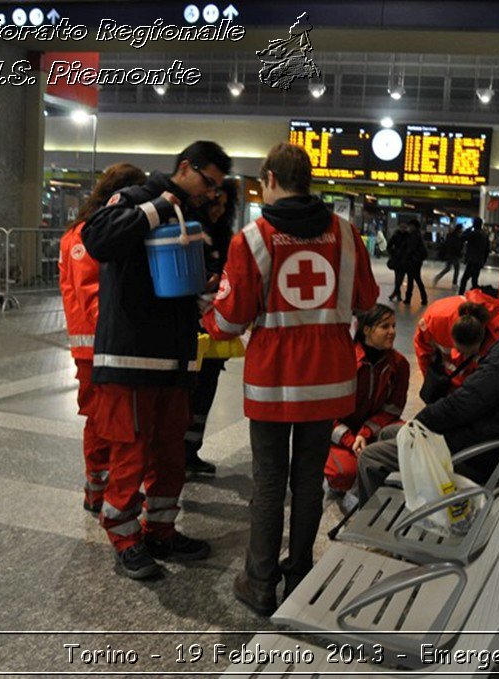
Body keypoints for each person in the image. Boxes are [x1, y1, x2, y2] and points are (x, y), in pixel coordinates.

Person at [202, 142, 379, 616]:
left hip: (274, 383)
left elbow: (233, 316)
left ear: (272, 180)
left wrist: (208, 323)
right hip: (328, 382)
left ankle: (259, 582)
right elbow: (366, 296)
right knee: (307, 481)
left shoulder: (252, 239)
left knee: (268, 484)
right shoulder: (345, 234)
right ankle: (299, 573)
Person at [81, 141, 231, 580]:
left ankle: (160, 530)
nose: (209, 193)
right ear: (186, 167)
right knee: (131, 450)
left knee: (170, 453)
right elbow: (98, 239)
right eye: (207, 182)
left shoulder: (195, 215)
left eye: (216, 188)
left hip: (176, 358)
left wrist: (209, 290)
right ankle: (124, 538)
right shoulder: (135, 199)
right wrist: (159, 207)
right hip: (131, 355)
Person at [356, 289, 499, 504]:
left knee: (370, 458)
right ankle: (399, 500)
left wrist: (420, 423)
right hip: (485, 446)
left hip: (469, 455)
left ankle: (381, 518)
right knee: (389, 432)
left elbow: (467, 402)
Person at [58, 163, 146, 514]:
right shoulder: (82, 236)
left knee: (108, 420)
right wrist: (118, 332)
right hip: (93, 348)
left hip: (104, 346)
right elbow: (92, 293)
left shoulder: (96, 231)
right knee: (99, 421)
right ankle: (96, 490)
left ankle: (100, 487)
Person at [324, 304, 409, 510]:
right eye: (385, 326)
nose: (392, 332)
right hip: (339, 434)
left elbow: (394, 408)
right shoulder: (343, 361)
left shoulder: (399, 364)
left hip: (373, 431)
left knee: (408, 438)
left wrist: (366, 432)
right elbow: (326, 414)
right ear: (367, 330)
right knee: (345, 474)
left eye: (394, 326)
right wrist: (351, 440)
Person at [184, 178, 239, 476]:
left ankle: (191, 452)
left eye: (224, 206)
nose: (219, 210)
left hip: (214, 329)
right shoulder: (191, 230)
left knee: (205, 393)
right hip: (189, 327)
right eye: (214, 204)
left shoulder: (223, 236)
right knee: (188, 395)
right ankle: (178, 453)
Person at [414, 287, 499, 398]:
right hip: (446, 384)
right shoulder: (434, 320)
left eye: (470, 353)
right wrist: (431, 383)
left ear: (483, 338)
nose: (463, 356)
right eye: (459, 350)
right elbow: (422, 350)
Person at [458, 217, 490, 294]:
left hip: (472, 260)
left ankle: (460, 295)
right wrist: (483, 261)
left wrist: (468, 229)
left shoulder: (473, 234)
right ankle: (475, 296)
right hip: (479, 261)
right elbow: (487, 249)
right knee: (474, 280)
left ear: (474, 224)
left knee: (464, 279)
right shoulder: (485, 235)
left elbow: (461, 238)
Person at [401, 219, 428, 305]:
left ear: (414, 226)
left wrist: (405, 258)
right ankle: (422, 298)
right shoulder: (417, 234)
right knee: (415, 279)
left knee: (413, 280)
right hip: (416, 261)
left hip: (413, 261)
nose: (409, 227)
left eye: (410, 226)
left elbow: (411, 249)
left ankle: (410, 298)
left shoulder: (414, 235)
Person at [432, 223, 464, 289]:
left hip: (450, 254)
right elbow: (456, 246)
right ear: (459, 229)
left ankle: (437, 278)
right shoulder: (456, 237)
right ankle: (454, 284)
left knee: (448, 268)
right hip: (454, 255)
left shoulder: (451, 235)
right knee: (456, 268)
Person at [386, 221, 410, 301]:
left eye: (405, 227)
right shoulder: (396, 235)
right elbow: (389, 246)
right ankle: (397, 295)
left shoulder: (408, 236)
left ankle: (395, 294)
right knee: (397, 278)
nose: (403, 228)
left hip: (404, 259)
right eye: (402, 227)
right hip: (397, 259)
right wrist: (393, 252)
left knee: (400, 278)